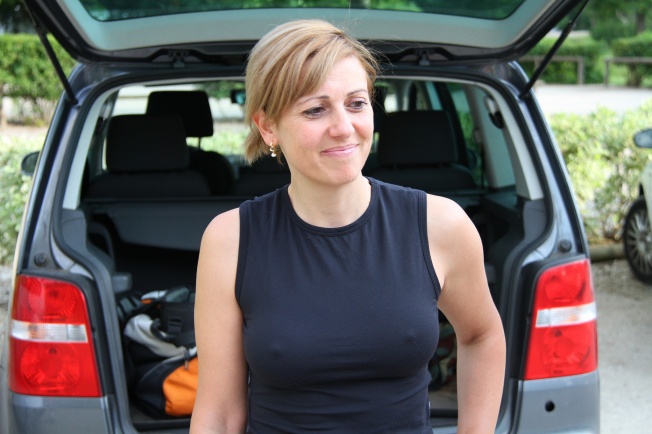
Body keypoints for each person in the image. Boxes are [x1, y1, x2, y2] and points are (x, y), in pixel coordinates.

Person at [190, 19, 506, 434]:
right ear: (268, 126)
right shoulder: (230, 240)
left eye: (356, 104)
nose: (343, 128)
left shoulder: (440, 225)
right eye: (315, 109)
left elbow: (482, 335)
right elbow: (219, 413)